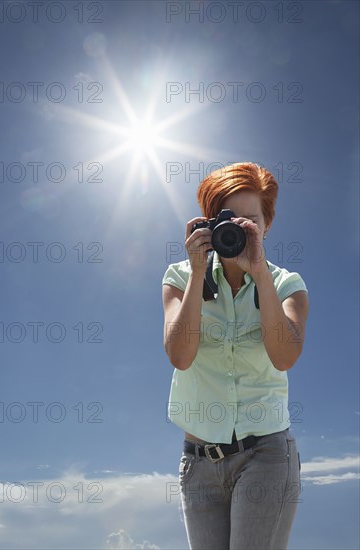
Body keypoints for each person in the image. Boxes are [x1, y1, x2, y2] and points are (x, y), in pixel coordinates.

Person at [162, 162, 309, 550]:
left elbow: (284, 356)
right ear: (210, 222)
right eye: (230, 219)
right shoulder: (179, 277)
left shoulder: (287, 284)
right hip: (198, 460)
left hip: (266, 455)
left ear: (267, 225)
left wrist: (259, 272)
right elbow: (180, 354)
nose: (239, 229)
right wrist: (197, 275)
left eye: (251, 221)